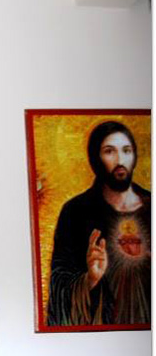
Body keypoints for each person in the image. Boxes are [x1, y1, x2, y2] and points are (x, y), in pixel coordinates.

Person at [47, 121, 150, 327]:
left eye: (126, 150)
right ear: (96, 158)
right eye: (109, 151)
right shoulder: (76, 212)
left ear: (135, 155)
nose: (120, 160)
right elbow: (60, 282)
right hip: (100, 336)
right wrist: (90, 279)